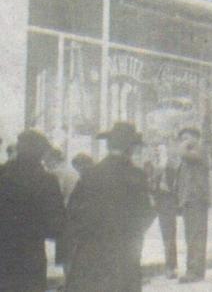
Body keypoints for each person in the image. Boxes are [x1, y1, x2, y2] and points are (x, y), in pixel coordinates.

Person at [66, 122, 155, 292]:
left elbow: (73, 212)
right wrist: (132, 234)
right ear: (131, 148)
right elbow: (147, 214)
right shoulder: (137, 176)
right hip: (125, 253)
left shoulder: (90, 174)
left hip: (91, 253)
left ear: (108, 145)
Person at [0, 130, 65, 292]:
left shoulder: (2, 174)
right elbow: (56, 227)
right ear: (41, 153)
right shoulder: (48, 181)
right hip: (31, 257)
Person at [175, 127, 211, 283]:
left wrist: (184, 144)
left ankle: (194, 271)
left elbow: (183, 153)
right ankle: (194, 270)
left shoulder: (200, 151)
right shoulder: (189, 157)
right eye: (182, 138)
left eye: (187, 137)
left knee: (195, 237)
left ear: (196, 138)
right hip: (189, 200)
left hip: (196, 199)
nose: (184, 141)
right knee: (191, 237)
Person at [44, 147, 80, 277]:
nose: (45, 163)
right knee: (73, 255)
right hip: (76, 218)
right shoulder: (72, 172)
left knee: (67, 256)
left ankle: (68, 284)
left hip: (65, 219)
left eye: (47, 159)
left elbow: (56, 197)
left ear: (54, 159)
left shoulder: (57, 173)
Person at [148, 142, 180, 279]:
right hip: (149, 203)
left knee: (168, 235)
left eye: (160, 153)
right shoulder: (148, 167)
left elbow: (175, 188)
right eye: (155, 153)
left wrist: (165, 187)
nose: (157, 155)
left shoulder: (172, 169)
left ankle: (170, 267)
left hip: (166, 203)